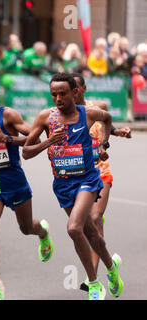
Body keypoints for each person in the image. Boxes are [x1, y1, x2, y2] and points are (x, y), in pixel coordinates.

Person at [22, 73, 124, 300]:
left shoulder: (87, 114)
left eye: (63, 93)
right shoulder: (46, 118)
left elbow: (106, 119)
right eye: (54, 94)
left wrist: (103, 144)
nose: (58, 98)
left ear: (74, 92)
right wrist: (49, 141)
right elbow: (26, 152)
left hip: (87, 180)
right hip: (63, 184)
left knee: (73, 228)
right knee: (90, 233)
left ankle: (94, 283)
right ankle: (111, 267)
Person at [0, 78, 53, 300]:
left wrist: (6, 138)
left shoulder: (8, 116)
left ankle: (42, 232)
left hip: (15, 182)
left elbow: (33, 138)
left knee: (26, 228)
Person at [72, 73, 131, 292]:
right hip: (76, 174)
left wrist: (111, 138)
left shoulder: (97, 107)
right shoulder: (63, 115)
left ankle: (93, 278)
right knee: (86, 226)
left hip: (99, 170)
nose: (73, 93)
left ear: (83, 89)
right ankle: (111, 266)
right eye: (70, 90)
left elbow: (104, 126)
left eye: (76, 89)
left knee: (96, 217)